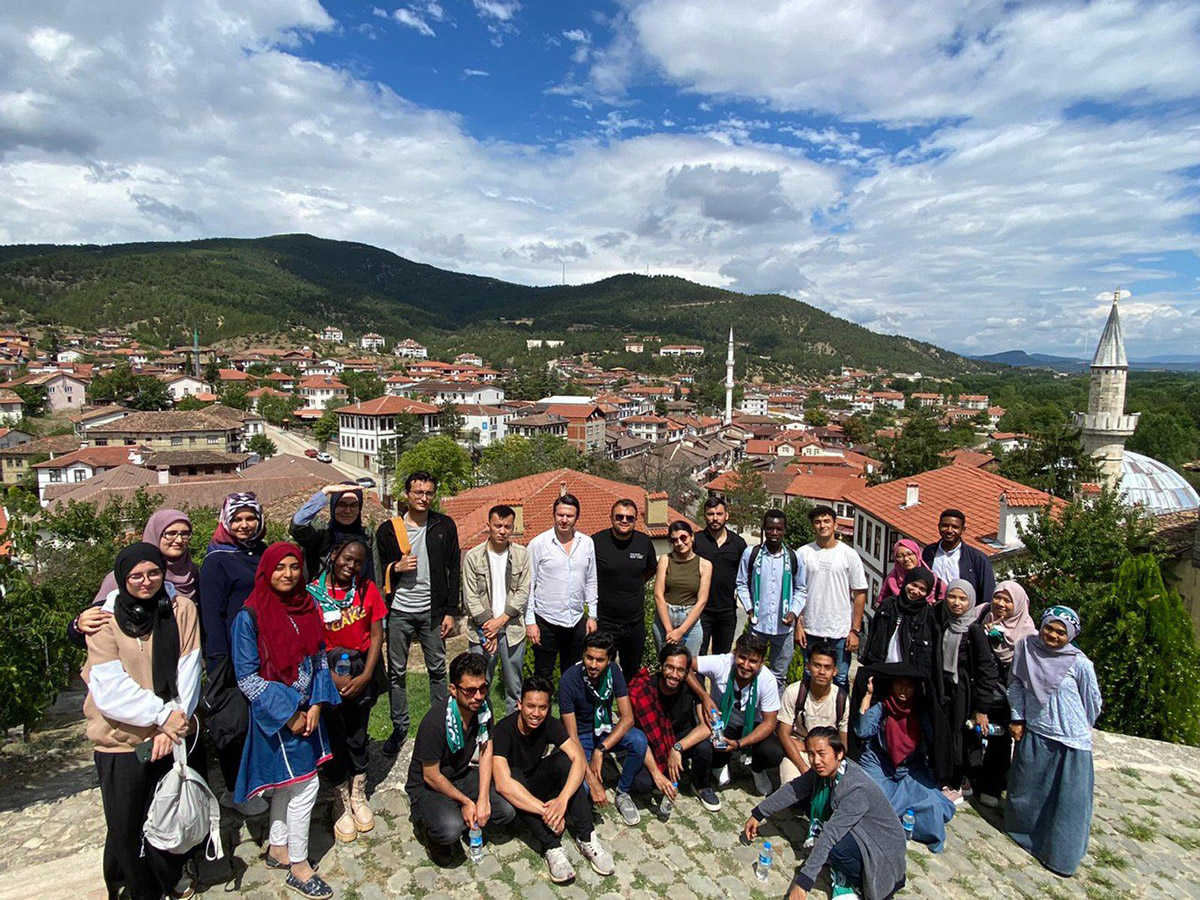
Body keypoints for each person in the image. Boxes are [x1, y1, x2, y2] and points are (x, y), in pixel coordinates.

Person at [83, 542, 201, 900]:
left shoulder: (180, 608)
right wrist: (162, 717)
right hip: (120, 739)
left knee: (166, 813)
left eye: (153, 573)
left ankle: (168, 879)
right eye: (136, 575)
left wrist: (173, 722)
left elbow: (189, 668)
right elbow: (109, 687)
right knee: (125, 823)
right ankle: (133, 888)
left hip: (170, 731)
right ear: (122, 577)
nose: (146, 581)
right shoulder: (105, 617)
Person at [232, 542, 339, 900]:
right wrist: (290, 713)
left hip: (308, 712)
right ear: (266, 571)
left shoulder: (307, 607)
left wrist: (317, 706)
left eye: (294, 567)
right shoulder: (250, 616)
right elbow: (247, 678)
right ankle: (299, 865)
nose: (288, 574)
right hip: (277, 716)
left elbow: (319, 658)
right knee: (306, 786)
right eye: (280, 568)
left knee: (290, 784)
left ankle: (278, 847)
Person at [744, 727, 907, 900]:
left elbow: (831, 834)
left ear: (839, 754)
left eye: (822, 754)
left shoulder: (856, 788)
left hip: (881, 852)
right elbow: (793, 789)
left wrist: (803, 884)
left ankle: (857, 882)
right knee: (806, 799)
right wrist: (759, 813)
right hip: (860, 831)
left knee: (835, 848)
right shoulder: (825, 772)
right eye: (811, 754)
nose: (816, 761)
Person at [1005, 606, 1101, 877]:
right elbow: (1016, 685)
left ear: (1071, 635)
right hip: (1036, 730)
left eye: (1061, 632)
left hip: (1070, 739)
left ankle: (1059, 857)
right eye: (1050, 628)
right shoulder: (1027, 648)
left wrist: (1077, 727)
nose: (1053, 635)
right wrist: (1018, 718)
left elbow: (1092, 702)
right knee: (1027, 791)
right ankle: (1023, 836)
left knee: (1068, 804)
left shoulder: (1079, 663)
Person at [492, 677, 616, 883]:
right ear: (519, 704)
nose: (536, 713)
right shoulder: (503, 730)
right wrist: (548, 813)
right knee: (514, 779)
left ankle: (587, 837)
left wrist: (562, 800)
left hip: (535, 779)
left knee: (565, 761)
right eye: (530, 706)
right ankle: (552, 847)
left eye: (542, 707)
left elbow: (577, 758)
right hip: (514, 788)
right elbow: (503, 784)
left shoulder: (549, 723)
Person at [377, 470, 461, 756]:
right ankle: (400, 727)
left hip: (432, 611)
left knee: (438, 670)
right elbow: (380, 571)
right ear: (406, 494)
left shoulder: (444, 526)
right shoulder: (389, 529)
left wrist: (451, 611)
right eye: (418, 493)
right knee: (396, 672)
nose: (423, 498)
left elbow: (453, 569)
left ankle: (439, 726)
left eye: (428, 493)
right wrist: (395, 569)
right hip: (399, 610)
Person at [405, 652, 517, 866]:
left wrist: (482, 798)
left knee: (506, 810)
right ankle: (431, 826)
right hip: (429, 786)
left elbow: (486, 749)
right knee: (449, 830)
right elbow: (431, 776)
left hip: (461, 775)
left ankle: (464, 815)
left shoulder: (484, 708)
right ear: (454, 690)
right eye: (470, 691)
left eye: (483, 688)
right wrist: (466, 801)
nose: (478, 696)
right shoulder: (434, 724)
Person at [311, 537, 387, 843]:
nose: (351, 566)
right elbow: (309, 640)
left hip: (361, 672)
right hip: (326, 675)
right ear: (333, 556)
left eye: (357, 561)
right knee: (333, 737)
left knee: (357, 734)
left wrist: (367, 675)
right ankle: (339, 800)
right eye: (346, 559)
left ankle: (358, 793)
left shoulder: (367, 589)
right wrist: (328, 677)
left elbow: (377, 632)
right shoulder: (314, 592)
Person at [199, 492, 269, 809]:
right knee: (234, 723)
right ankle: (234, 791)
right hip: (230, 656)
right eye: (237, 519)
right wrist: (218, 662)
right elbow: (212, 616)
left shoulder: (262, 552)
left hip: (263, 651)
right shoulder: (217, 560)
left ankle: (258, 780)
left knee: (259, 719)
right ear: (226, 521)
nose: (244, 525)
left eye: (250, 518)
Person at [855, 665, 955, 853]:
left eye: (908, 686)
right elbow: (863, 731)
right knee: (872, 799)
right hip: (879, 763)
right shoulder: (883, 705)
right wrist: (867, 697)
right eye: (899, 684)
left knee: (932, 804)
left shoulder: (920, 710)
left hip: (911, 768)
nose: (903, 690)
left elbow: (936, 737)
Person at [69, 509, 200, 647]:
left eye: (185, 534)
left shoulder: (193, 575)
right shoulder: (122, 577)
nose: (179, 540)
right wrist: (77, 626)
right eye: (170, 534)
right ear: (155, 533)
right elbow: (93, 627)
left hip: (181, 660)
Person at [558, 631, 650, 825]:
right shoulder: (568, 680)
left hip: (605, 728)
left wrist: (601, 750)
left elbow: (627, 719)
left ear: (609, 660)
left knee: (639, 740)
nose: (593, 665)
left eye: (599, 660)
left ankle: (623, 792)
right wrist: (592, 781)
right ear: (582, 655)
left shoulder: (614, 672)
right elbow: (572, 736)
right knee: (582, 788)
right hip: (581, 736)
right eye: (589, 657)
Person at [689, 632, 785, 798]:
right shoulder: (722, 663)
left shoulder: (767, 680)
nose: (746, 665)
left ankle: (756, 767)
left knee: (773, 751)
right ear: (734, 654)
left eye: (753, 661)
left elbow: (769, 723)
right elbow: (686, 663)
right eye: (742, 657)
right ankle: (719, 764)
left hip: (751, 726)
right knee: (705, 746)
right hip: (722, 722)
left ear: (762, 662)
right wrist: (703, 696)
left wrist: (739, 744)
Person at [627, 643, 715, 812]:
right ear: (661, 666)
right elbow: (639, 737)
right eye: (669, 668)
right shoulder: (644, 691)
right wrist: (656, 774)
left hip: (682, 740)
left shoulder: (692, 688)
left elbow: (706, 727)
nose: (674, 675)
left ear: (687, 672)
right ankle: (663, 774)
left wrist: (677, 748)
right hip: (653, 745)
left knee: (704, 747)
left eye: (680, 670)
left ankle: (701, 785)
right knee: (641, 784)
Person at [974, 579, 1037, 808]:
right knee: (972, 732)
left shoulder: (1028, 634)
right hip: (979, 688)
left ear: (1019, 604)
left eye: (1007, 600)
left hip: (1006, 695)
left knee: (999, 740)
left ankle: (991, 785)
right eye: (998, 597)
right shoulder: (982, 613)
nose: (1000, 603)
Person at [463, 504, 531, 715]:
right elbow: (470, 596)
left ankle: (512, 734)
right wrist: (488, 628)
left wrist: (499, 621)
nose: (502, 531)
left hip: (512, 631)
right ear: (488, 526)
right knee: (479, 686)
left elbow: (523, 591)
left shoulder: (522, 554)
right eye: (498, 525)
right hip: (481, 632)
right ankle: (482, 732)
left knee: (514, 688)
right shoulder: (473, 557)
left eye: (507, 527)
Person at [938, 579, 999, 803]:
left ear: (971, 601)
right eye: (952, 597)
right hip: (945, 687)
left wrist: (981, 707)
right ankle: (948, 776)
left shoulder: (974, 630)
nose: (956, 603)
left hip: (964, 690)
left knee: (959, 736)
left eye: (962, 599)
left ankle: (956, 783)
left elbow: (987, 670)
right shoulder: (944, 620)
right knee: (945, 732)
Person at [525, 493, 598, 682]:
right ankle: (542, 711)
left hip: (576, 620)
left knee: (574, 676)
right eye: (560, 515)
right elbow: (528, 585)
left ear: (576, 518)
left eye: (569, 516)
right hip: (545, 621)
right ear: (554, 515)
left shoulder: (587, 543)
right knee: (543, 676)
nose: (564, 520)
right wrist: (530, 621)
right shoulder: (538, 544)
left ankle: (570, 712)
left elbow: (591, 580)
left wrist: (592, 615)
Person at [797, 505, 868, 689]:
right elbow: (796, 591)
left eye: (827, 521)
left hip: (840, 631)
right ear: (813, 526)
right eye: (818, 522)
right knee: (809, 676)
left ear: (835, 524)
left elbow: (859, 593)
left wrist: (855, 630)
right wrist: (798, 624)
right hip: (811, 628)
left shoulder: (849, 555)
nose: (822, 525)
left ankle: (839, 718)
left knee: (840, 678)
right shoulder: (803, 553)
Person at [736, 509, 805, 687]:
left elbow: (801, 590)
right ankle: (751, 709)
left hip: (784, 629)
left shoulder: (794, 557)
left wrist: (793, 612)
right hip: (758, 625)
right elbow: (741, 583)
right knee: (750, 671)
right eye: (770, 528)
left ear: (784, 530)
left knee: (779, 677)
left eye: (778, 529)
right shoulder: (751, 554)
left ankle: (773, 712)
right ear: (764, 529)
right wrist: (750, 609)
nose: (774, 533)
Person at [591, 498, 657, 681]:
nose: (624, 520)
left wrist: (633, 584)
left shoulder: (643, 542)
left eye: (630, 517)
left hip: (634, 624)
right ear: (611, 517)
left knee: (632, 674)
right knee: (601, 673)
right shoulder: (596, 542)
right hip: (605, 623)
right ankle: (602, 708)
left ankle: (628, 710)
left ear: (636, 520)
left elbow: (651, 569)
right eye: (619, 516)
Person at [778, 644, 850, 782]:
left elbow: (843, 741)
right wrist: (803, 767)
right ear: (808, 666)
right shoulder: (794, 692)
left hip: (827, 752)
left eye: (827, 668)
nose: (822, 672)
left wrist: (837, 764)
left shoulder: (841, 699)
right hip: (798, 750)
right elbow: (783, 732)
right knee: (791, 790)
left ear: (835, 671)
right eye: (817, 666)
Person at [694, 496, 748, 655]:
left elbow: (744, 577)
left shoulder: (738, 543)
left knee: (722, 659)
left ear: (727, 515)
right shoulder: (696, 540)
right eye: (710, 514)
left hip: (727, 611)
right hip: (700, 610)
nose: (715, 518)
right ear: (705, 516)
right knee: (699, 657)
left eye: (719, 513)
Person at [291, 482, 375, 582]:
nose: (347, 511)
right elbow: (297, 524)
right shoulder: (321, 533)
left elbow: (375, 571)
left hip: (359, 595)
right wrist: (325, 491)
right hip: (322, 595)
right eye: (341, 505)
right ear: (333, 506)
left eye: (353, 505)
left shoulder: (367, 536)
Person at [653, 520, 713, 658]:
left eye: (683, 538)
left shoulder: (705, 565)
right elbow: (658, 594)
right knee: (666, 664)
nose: (679, 543)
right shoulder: (665, 560)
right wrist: (669, 630)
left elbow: (702, 601)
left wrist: (681, 631)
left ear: (692, 536)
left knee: (688, 666)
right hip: (664, 617)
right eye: (674, 540)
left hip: (689, 620)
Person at [921, 509, 995, 612]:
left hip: (962, 615)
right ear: (939, 526)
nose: (949, 530)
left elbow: (987, 592)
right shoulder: (929, 552)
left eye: (955, 527)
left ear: (963, 530)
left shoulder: (977, 558)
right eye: (945, 525)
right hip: (931, 613)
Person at [875, 538, 944, 609]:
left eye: (909, 554)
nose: (906, 559)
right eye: (900, 556)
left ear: (917, 554)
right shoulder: (892, 579)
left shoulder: (933, 580)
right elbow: (882, 603)